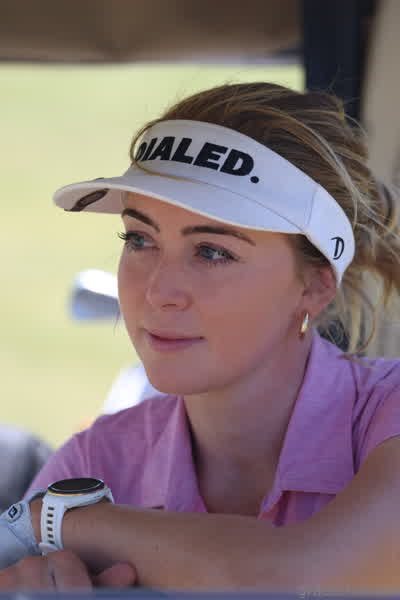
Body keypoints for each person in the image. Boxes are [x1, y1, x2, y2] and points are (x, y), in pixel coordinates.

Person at [1, 81, 400, 594]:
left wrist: (57, 523)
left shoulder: (387, 412)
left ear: (316, 284)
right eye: (139, 239)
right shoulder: (93, 460)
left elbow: (300, 579)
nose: (159, 291)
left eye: (213, 251)